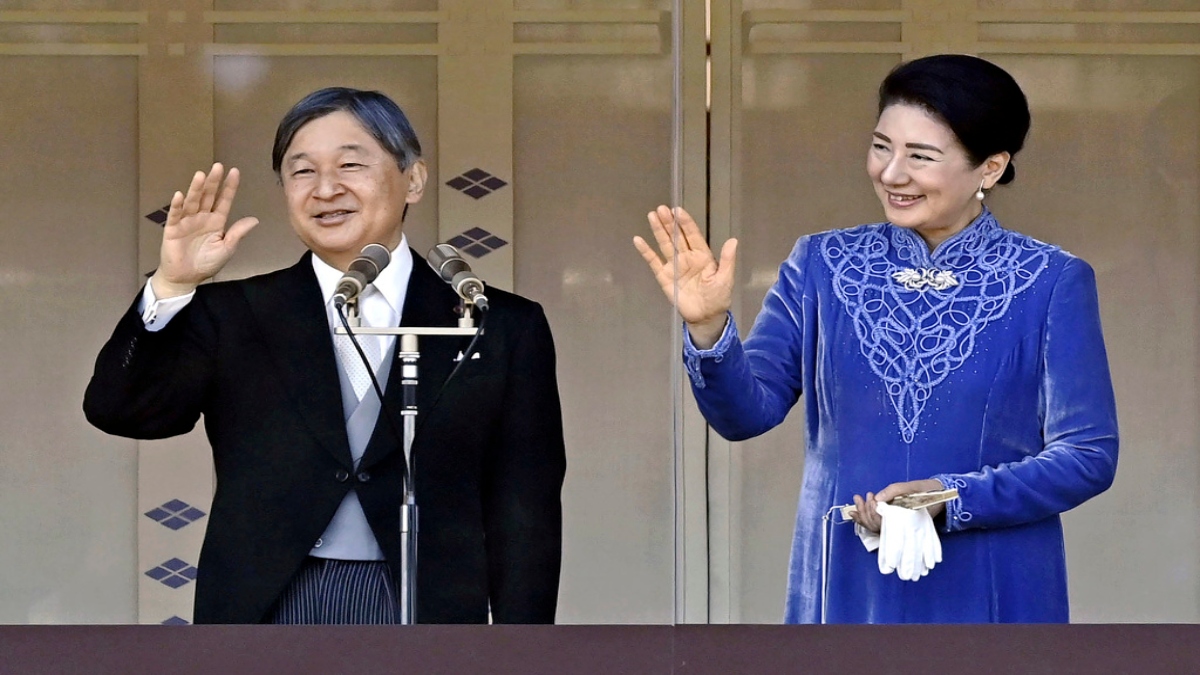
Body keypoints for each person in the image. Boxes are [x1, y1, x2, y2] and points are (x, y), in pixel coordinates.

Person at [634, 54, 1118, 623]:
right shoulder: (822, 263)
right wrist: (708, 326)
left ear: (990, 168)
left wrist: (948, 497)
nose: (891, 174)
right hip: (847, 581)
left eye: (921, 156)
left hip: (994, 584)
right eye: (881, 146)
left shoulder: (1050, 279)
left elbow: (1087, 455)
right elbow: (745, 414)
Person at [84, 87, 566, 624]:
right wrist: (172, 285)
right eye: (302, 171)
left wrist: (523, 646)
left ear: (413, 179)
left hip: (431, 605)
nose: (326, 189)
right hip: (264, 609)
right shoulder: (236, 313)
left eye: (351, 165)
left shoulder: (499, 325)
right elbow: (123, 411)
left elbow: (526, 505)